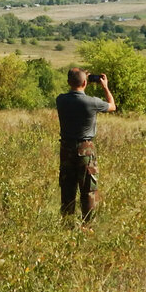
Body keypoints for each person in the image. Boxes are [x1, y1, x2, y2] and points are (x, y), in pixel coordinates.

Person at [54, 68, 116, 221]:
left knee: (67, 189)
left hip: (66, 148)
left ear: (69, 82)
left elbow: (73, 90)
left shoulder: (60, 100)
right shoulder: (92, 102)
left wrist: (80, 78)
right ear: (85, 82)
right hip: (86, 149)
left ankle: (67, 223)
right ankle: (87, 225)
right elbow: (112, 106)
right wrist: (105, 86)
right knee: (88, 189)